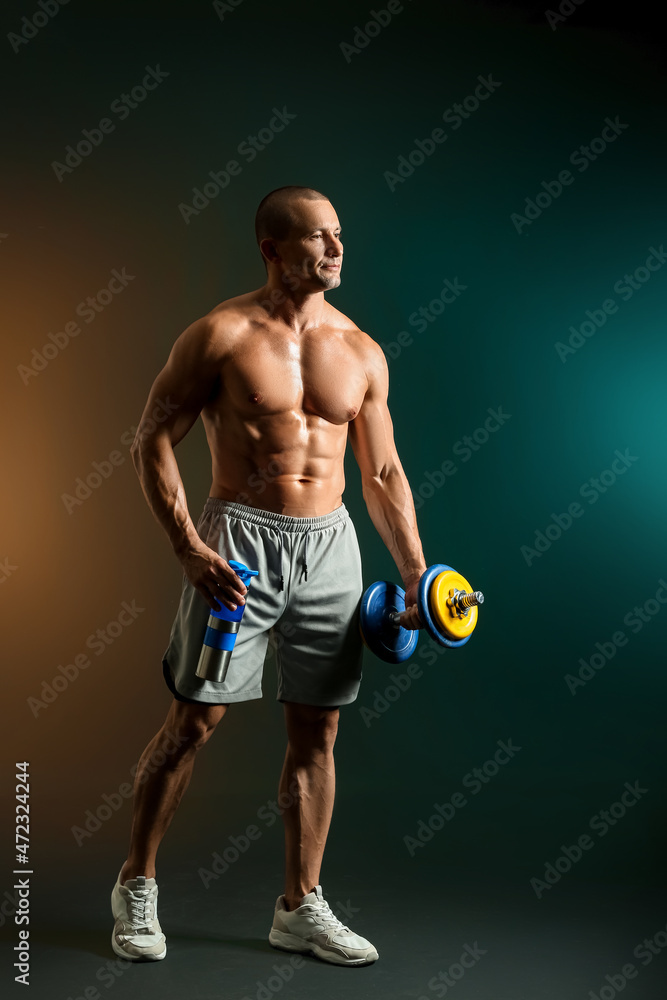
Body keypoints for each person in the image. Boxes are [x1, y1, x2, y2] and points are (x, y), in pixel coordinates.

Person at [111, 185, 427, 968]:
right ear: (271, 250)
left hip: (330, 547)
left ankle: (299, 906)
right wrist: (187, 547)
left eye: (339, 235)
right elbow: (151, 438)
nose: (334, 249)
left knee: (318, 732)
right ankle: (136, 885)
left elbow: (381, 471)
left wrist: (415, 573)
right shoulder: (219, 334)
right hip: (237, 547)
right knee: (192, 723)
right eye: (316, 238)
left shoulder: (360, 349)